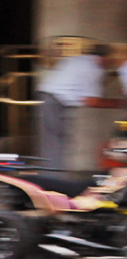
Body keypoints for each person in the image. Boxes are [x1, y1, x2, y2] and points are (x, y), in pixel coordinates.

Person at [36, 43, 124, 171]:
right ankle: (53, 176)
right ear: (102, 57)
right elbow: (92, 101)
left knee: (53, 141)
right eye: (110, 59)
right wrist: (120, 104)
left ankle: (52, 173)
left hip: (48, 97)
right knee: (56, 141)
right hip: (56, 101)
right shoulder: (93, 68)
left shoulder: (77, 60)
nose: (110, 63)